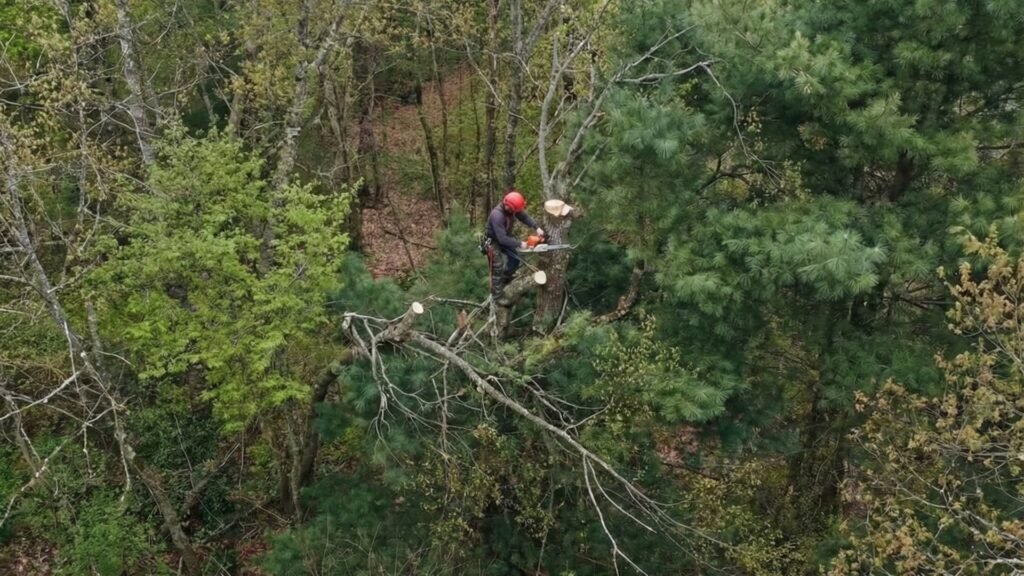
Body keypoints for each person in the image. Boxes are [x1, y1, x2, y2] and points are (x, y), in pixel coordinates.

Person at [486, 190, 544, 295]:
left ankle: (507, 277)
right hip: (493, 241)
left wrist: (537, 227)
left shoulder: (512, 208)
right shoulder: (497, 215)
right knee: (497, 266)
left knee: (516, 256)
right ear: (508, 206)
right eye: (513, 210)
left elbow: (524, 217)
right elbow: (502, 239)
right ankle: (497, 295)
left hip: (504, 237)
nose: (514, 212)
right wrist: (520, 243)